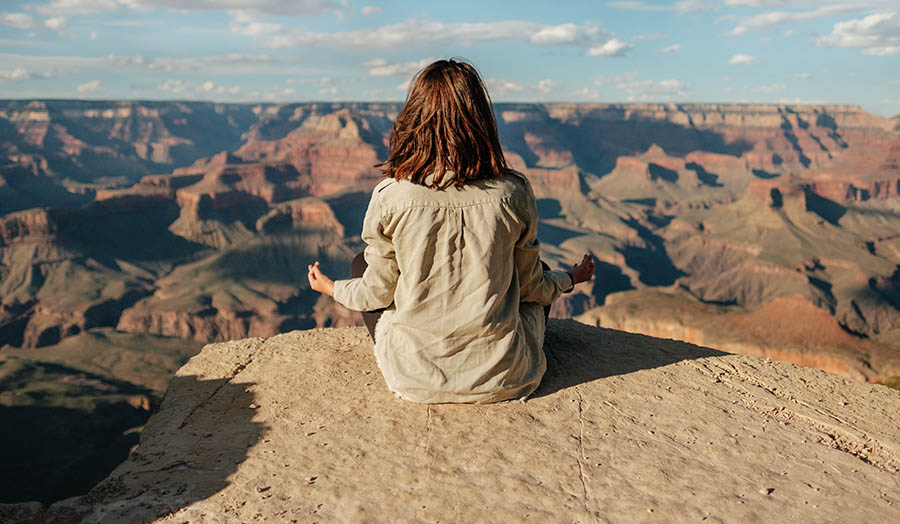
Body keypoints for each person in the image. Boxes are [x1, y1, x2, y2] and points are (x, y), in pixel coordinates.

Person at [307, 58, 594, 403]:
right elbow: (533, 287)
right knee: (542, 270)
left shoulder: (391, 195)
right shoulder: (513, 191)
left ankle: (421, 362)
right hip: (506, 378)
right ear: (481, 121)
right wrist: (570, 278)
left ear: (413, 120)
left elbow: (377, 294)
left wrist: (331, 288)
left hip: (413, 380)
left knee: (360, 266)